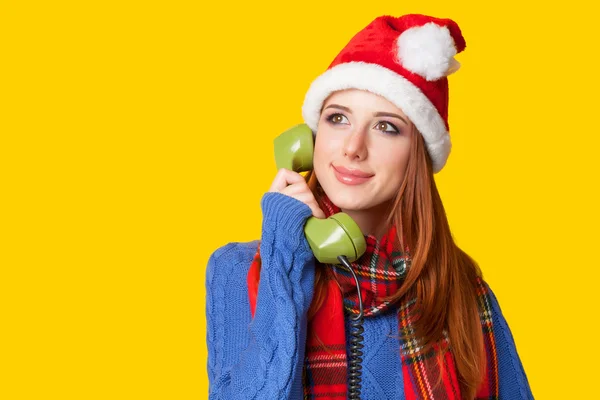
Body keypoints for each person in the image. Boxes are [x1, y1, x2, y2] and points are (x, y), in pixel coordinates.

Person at [205, 13, 533, 400]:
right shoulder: (239, 272)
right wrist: (285, 264)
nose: (352, 147)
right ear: (309, 139)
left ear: (418, 154)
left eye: (386, 127)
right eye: (338, 118)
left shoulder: (463, 290)